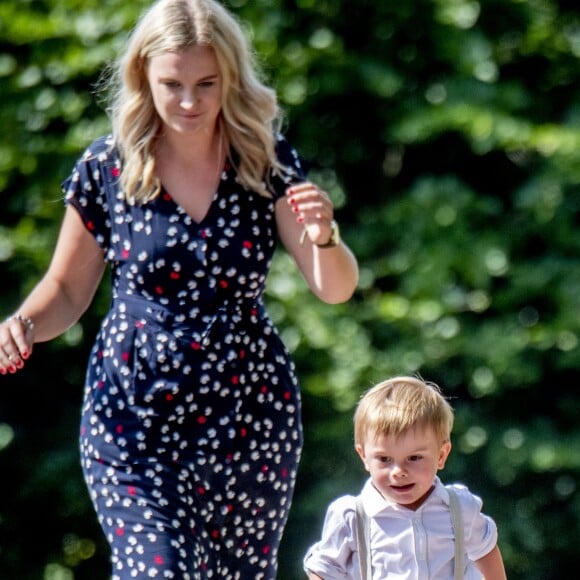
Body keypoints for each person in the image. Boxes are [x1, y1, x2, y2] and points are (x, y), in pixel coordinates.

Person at [0, 0, 359, 577]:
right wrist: (22, 324)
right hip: (133, 416)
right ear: (143, 77)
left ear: (230, 79)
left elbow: (334, 287)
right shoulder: (107, 169)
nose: (189, 102)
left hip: (249, 416)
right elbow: (66, 291)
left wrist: (324, 235)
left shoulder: (264, 162)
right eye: (172, 84)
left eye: (206, 84)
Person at [303, 376, 507, 580]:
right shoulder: (351, 516)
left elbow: (486, 551)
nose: (399, 471)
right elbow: (323, 570)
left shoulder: (459, 508)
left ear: (442, 455)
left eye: (414, 458)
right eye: (384, 459)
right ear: (364, 456)